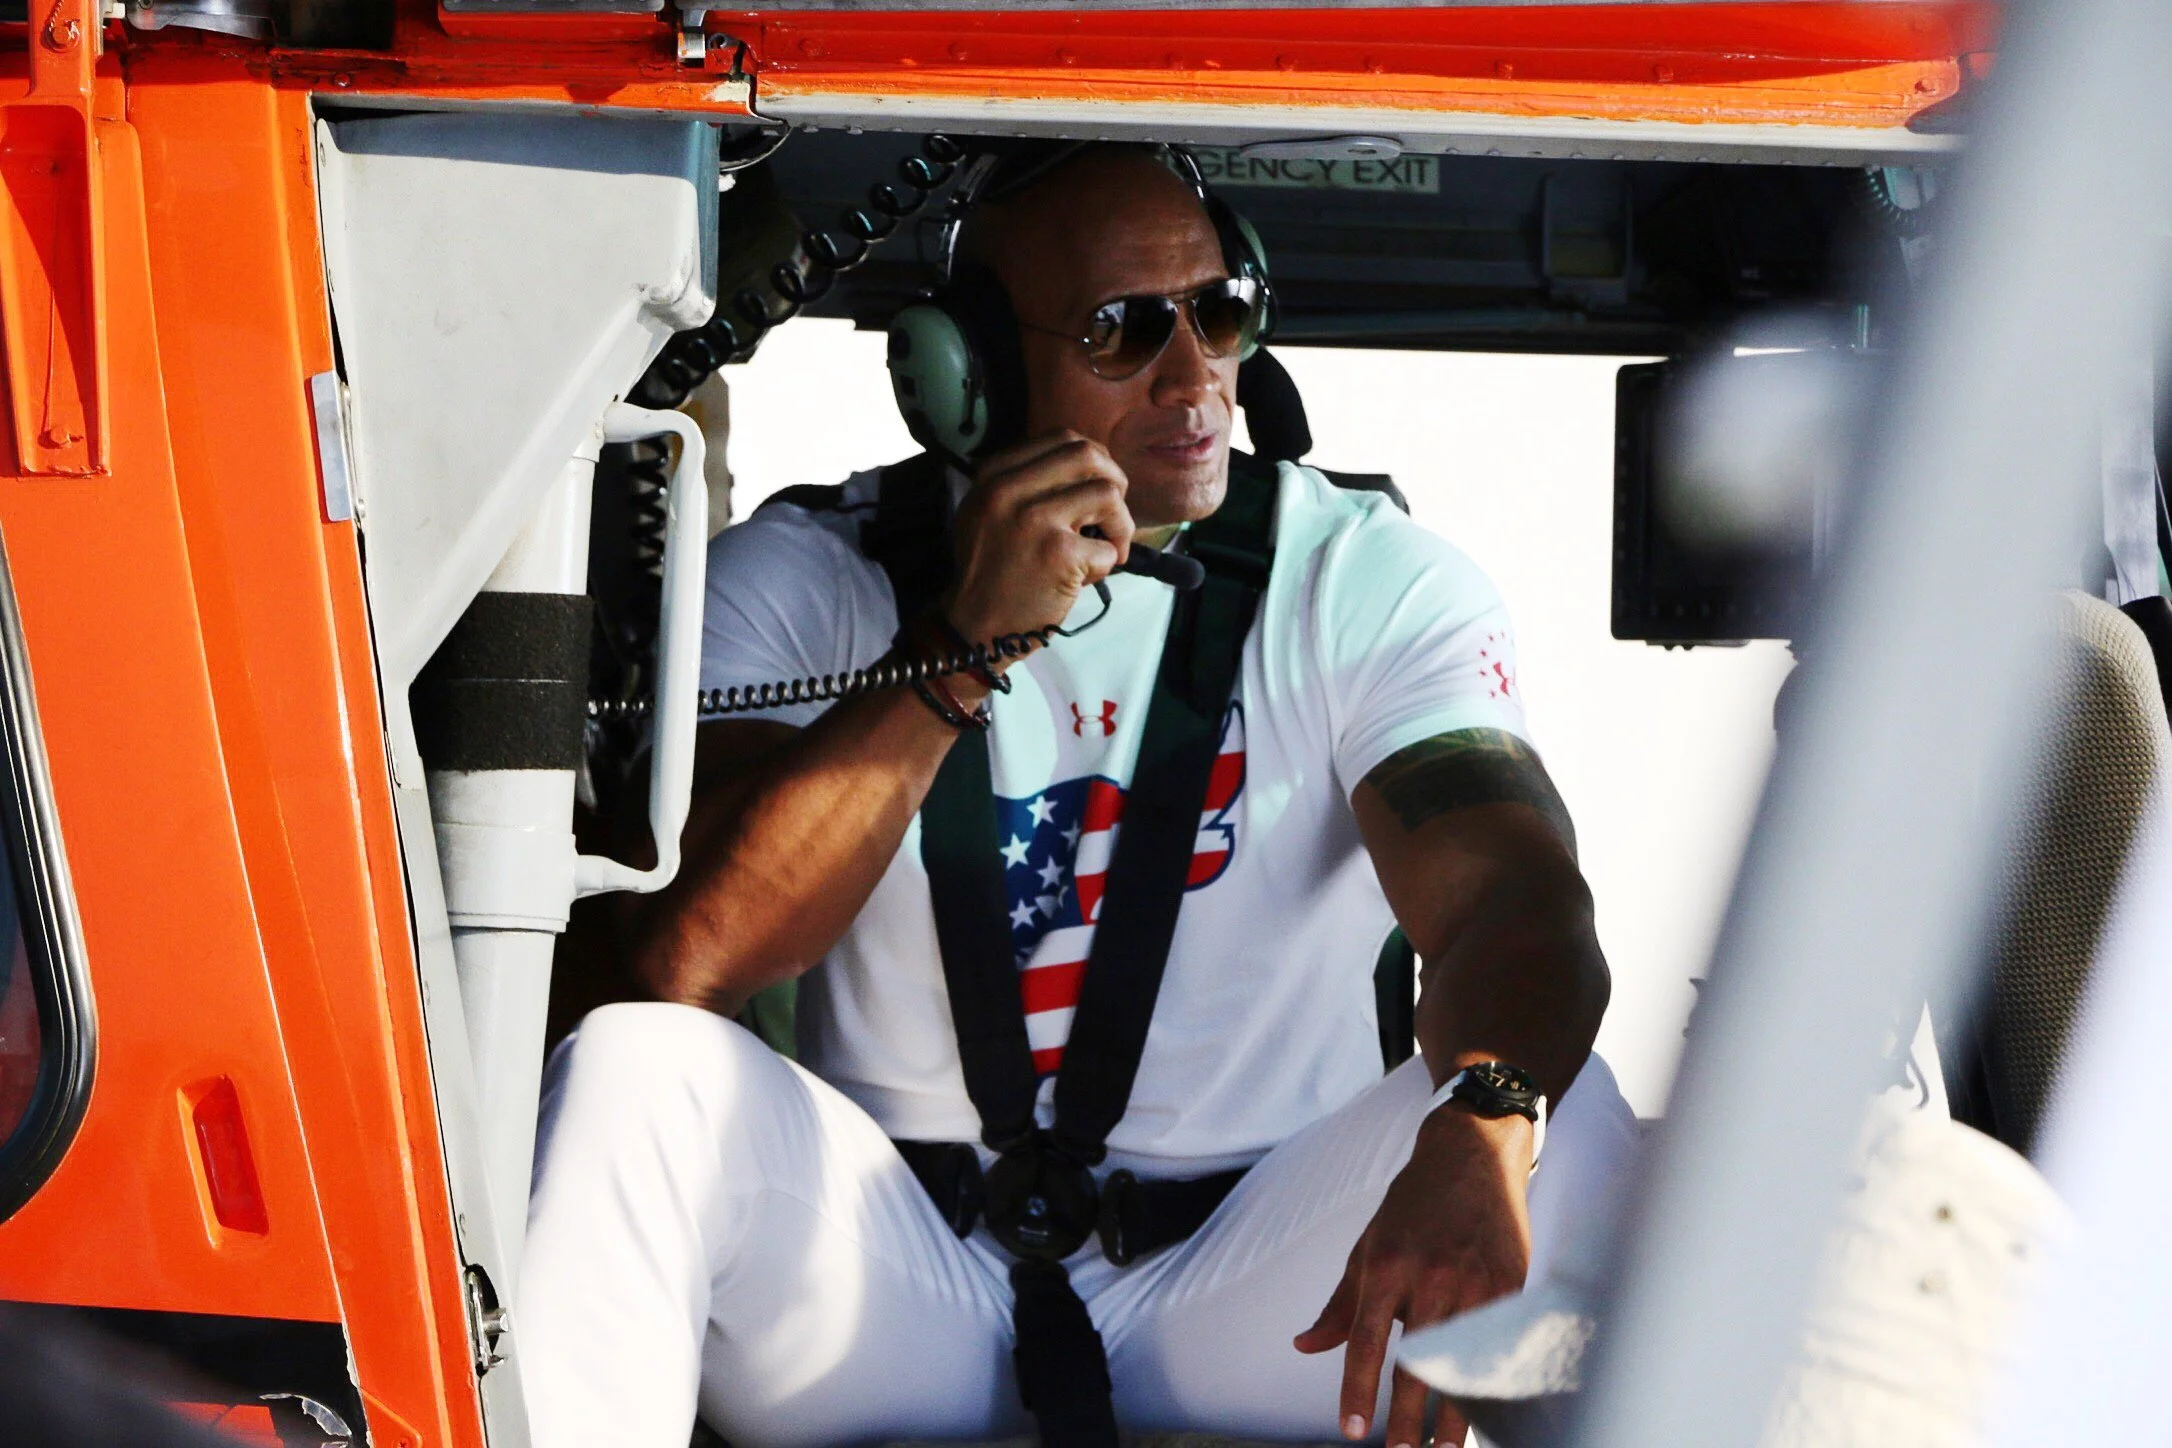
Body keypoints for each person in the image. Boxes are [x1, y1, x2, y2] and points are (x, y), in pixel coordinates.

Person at [520, 141, 1639, 1448]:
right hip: (896, 1286)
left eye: (1220, 315)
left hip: (1251, 1278)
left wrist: (1485, 1121)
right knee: (633, 1074)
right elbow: (683, 957)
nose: (1192, 378)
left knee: (1561, 1110)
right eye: (1123, 332)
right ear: (970, 372)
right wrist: (958, 653)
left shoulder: (1366, 581)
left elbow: (1514, 902)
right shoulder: (808, 577)